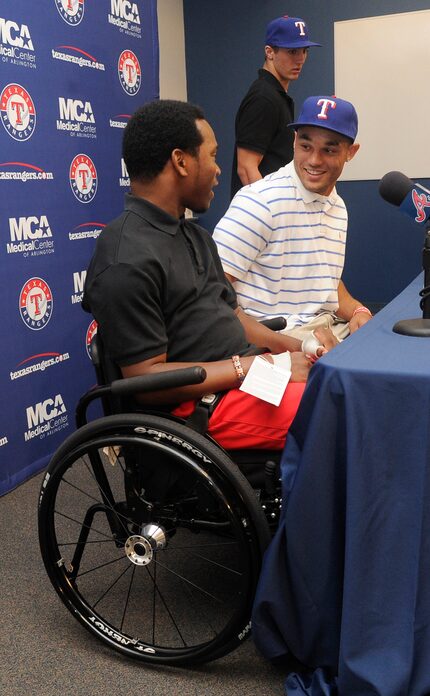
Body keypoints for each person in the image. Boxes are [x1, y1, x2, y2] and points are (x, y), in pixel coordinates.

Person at [82, 99, 323, 452]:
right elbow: (146, 380)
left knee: (337, 382)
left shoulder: (194, 235)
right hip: (195, 409)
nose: (218, 170)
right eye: (211, 156)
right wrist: (255, 366)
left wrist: (298, 348)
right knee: (333, 411)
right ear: (181, 161)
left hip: (245, 378)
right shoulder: (125, 259)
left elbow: (234, 316)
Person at [214, 95, 373, 342]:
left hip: (325, 329)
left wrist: (359, 310)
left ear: (351, 152)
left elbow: (323, 282)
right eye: (306, 146)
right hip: (271, 340)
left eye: (329, 150)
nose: (314, 160)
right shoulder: (259, 201)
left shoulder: (337, 206)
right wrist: (295, 347)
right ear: (295, 140)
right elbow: (209, 294)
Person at [231, 15, 321, 199]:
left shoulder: (276, 95)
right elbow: (247, 168)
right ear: (270, 52)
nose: (301, 59)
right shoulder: (263, 97)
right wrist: (271, 214)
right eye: (292, 51)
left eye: (304, 51)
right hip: (259, 219)